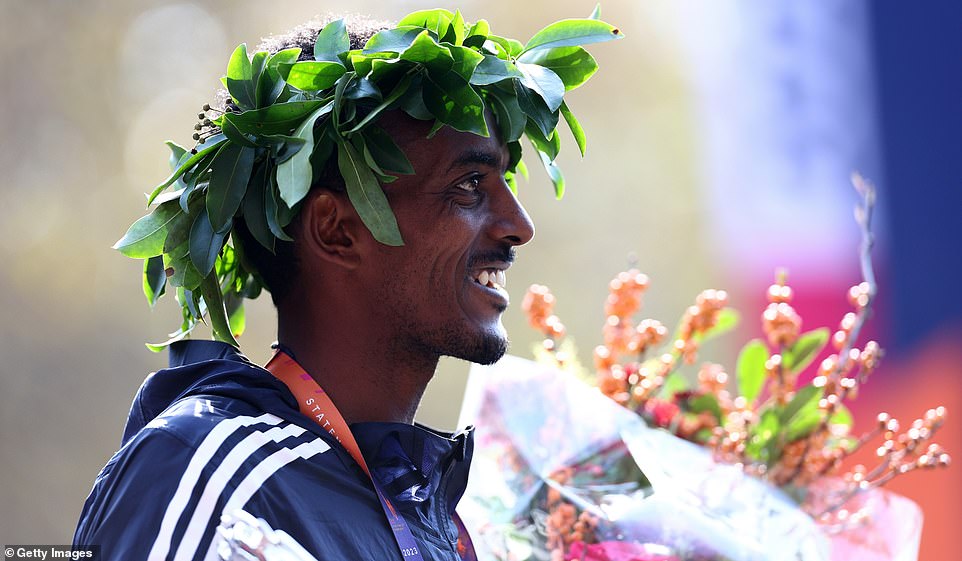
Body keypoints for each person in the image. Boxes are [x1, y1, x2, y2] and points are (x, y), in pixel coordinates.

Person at [75, 10, 620, 561]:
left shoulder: (441, 520)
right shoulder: (206, 475)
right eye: (469, 184)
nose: (520, 226)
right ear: (337, 230)